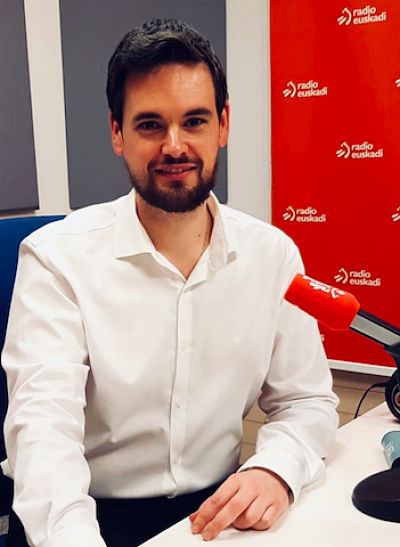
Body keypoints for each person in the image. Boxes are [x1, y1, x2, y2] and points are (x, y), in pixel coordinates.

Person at [1, 18, 338, 547]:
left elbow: (307, 401)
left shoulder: (272, 256)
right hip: (85, 515)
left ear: (223, 125)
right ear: (117, 133)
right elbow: (43, 429)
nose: (175, 146)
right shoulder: (56, 258)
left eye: (195, 121)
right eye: (150, 125)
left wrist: (274, 470)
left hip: (216, 516)